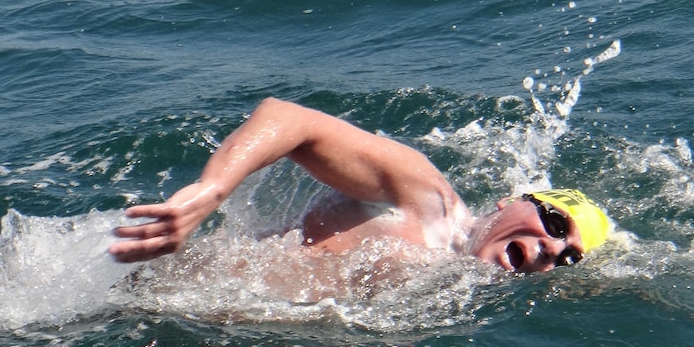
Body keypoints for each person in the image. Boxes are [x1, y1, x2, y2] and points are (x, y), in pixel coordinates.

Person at [109, 97, 610, 273]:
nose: (551, 247)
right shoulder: (425, 198)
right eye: (553, 221)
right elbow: (289, 119)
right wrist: (210, 193)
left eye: (568, 256)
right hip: (144, 276)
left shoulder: (460, 294)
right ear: (511, 202)